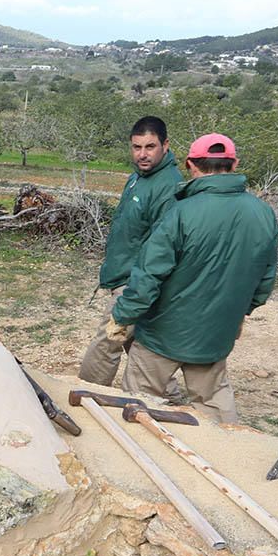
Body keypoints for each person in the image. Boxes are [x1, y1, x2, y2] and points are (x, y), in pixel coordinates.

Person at [108, 133, 278, 423]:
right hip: (216, 334)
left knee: (139, 401)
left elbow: (149, 275)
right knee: (216, 406)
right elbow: (264, 279)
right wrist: (241, 312)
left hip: (162, 334)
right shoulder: (264, 214)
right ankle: (226, 458)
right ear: (235, 164)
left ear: (190, 165)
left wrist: (123, 316)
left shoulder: (180, 213)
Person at [78, 116, 183, 387]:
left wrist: (139, 286)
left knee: (108, 338)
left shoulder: (168, 186)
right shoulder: (139, 177)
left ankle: (86, 392)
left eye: (150, 147)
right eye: (137, 147)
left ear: (166, 145)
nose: (142, 154)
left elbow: (164, 245)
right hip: (124, 275)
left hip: (136, 282)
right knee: (140, 347)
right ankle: (165, 396)